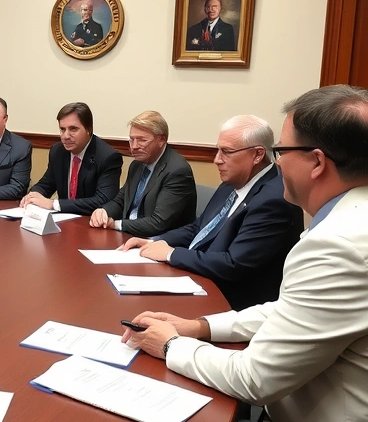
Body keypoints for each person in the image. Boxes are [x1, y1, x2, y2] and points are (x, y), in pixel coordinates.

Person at [122, 85, 368, 422]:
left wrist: (170, 346)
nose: (276, 164)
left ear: (316, 162)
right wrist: (201, 326)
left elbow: (254, 380)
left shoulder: (340, 245)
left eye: (281, 151)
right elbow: (294, 311)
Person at [118, 115, 303, 310]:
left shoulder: (274, 201)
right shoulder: (232, 182)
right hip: (201, 279)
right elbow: (199, 227)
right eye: (217, 150)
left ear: (257, 155)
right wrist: (155, 241)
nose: (216, 160)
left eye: (226, 152)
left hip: (233, 303)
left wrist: (172, 254)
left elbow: (234, 265)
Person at [89, 111, 196, 237]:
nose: (134, 146)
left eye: (142, 140)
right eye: (131, 139)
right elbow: (121, 201)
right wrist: (104, 212)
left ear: (161, 140)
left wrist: (116, 225)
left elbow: (158, 222)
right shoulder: (137, 164)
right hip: (130, 234)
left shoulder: (177, 171)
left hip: (159, 242)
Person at [21, 102, 123, 214]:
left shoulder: (107, 157)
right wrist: (32, 196)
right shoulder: (58, 151)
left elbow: (103, 200)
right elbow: (46, 184)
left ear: (89, 128)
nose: (66, 136)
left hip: (89, 222)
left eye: (73, 129)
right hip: (63, 220)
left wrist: (53, 204)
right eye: (62, 129)